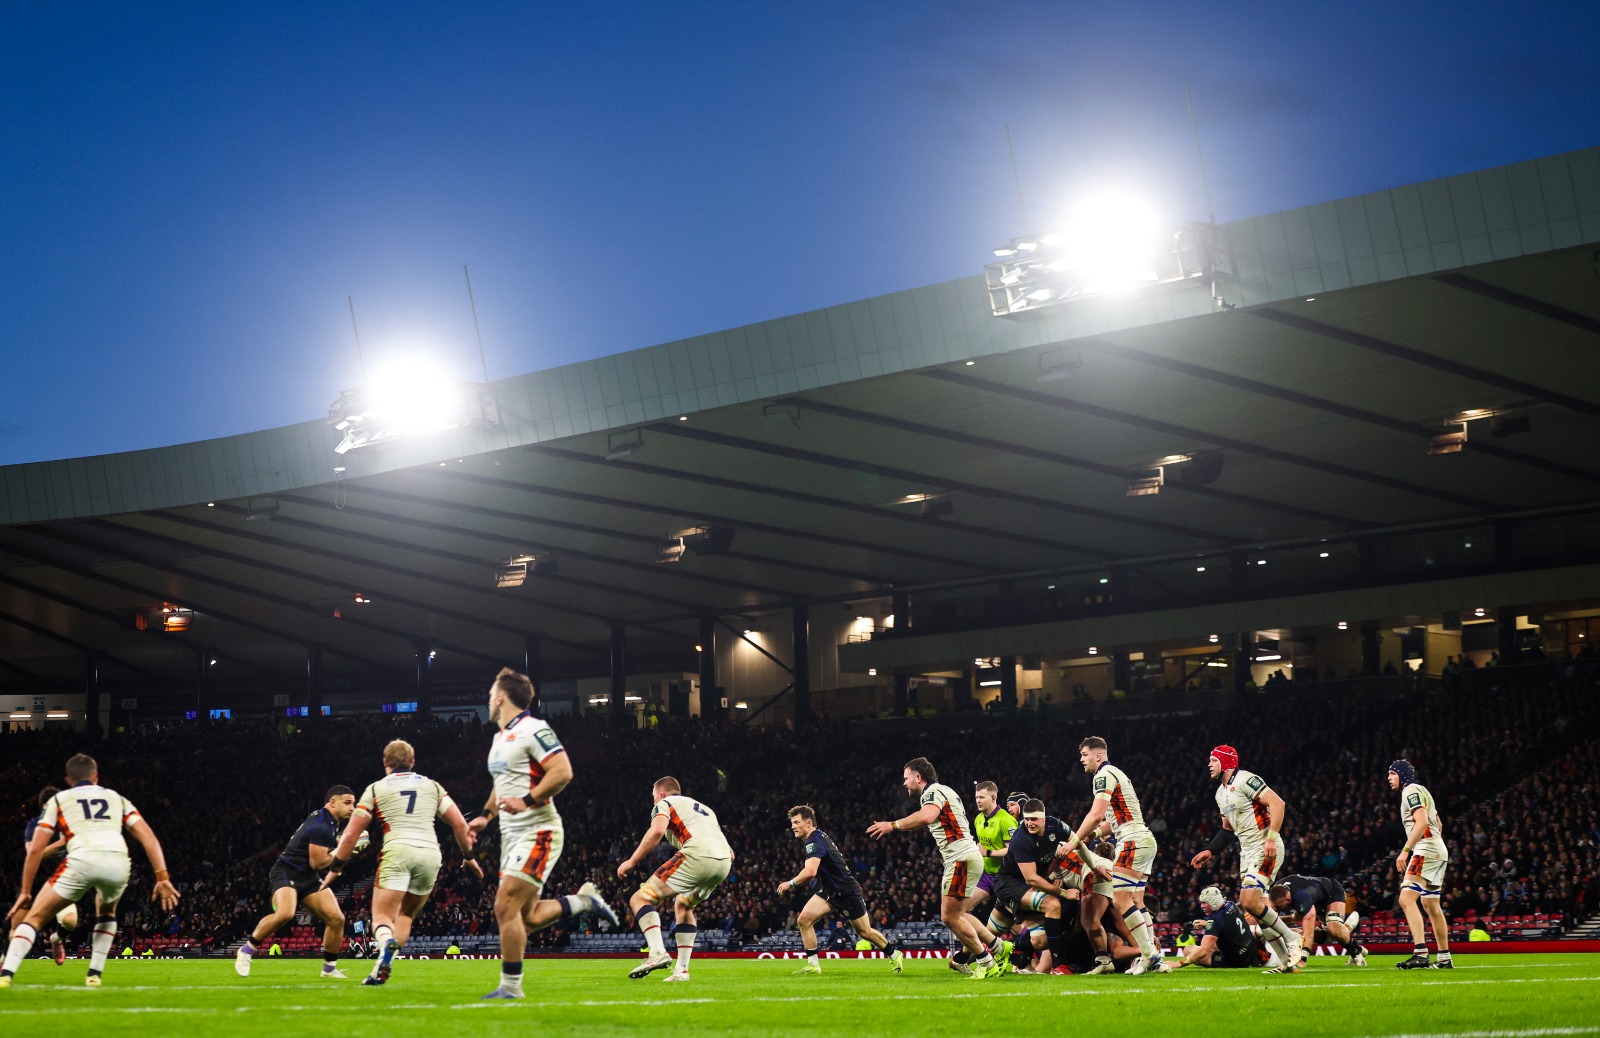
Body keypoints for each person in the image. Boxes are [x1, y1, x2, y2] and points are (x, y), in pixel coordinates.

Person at [474, 668, 618, 1000]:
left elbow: (562, 771)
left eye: (490, 695)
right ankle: (582, 901)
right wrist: (485, 816)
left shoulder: (533, 728)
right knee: (524, 918)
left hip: (538, 830)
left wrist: (526, 800)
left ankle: (511, 988)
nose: (488, 701)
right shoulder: (499, 738)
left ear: (501, 698)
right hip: (511, 836)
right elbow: (501, 786)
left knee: (504, 906)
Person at [2, 754, 180, 988]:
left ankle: (6, 975)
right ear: (96, 777)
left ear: (68, 780)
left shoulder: (60, 800)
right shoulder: (116, 798)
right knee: (106, 913)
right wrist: (162, 877)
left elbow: (35, 850)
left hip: (82, 860)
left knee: (34, 918)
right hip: (118, 860)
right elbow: (148, 836)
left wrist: (25, 892)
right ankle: (94, 974)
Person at [318, 739, 485, 986]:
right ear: (413, 762)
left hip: (397, 850)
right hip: (430, 853)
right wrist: (469, 857)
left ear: (385, 762)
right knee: (406, 915)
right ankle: (382, 965)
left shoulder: (376, 789)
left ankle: (386, 943)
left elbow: (352, 834)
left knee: (382, 919)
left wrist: (336, 867)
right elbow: (460, 824)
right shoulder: (432, 786)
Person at [867, 757, 1011, 979]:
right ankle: (999, 947)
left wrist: (893, 825)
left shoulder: (932, 792)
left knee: (950, 917)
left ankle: (986, 961)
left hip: (961, 858)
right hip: (965, 856)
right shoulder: (945, 790)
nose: (904, 783)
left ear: (918, 777)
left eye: (906, 778)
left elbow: (927, 816)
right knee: (958, 914)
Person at [1188, 745, 1302, 974]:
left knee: (1248, 901)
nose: (1209, 764)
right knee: (1258, 911)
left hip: (1264, 846)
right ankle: (1285, 962)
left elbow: (1278, 804)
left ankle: (1292, 939)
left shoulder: (1246, 780)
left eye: (1213, 760)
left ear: (1226, 762)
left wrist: (1272, 838)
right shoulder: (1220, 793)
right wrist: (1210, 851)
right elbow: (1227, 830)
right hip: (1246, 852)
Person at [1067, 737, 1169, 975]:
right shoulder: (1117, 773)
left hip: (1132, 842)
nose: (1081, 760)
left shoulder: (1102, 776)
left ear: (1098, 755)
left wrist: (1074, 840)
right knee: (1137, 901)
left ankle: (1149, 955)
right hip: (1144, 839)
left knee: (1120, 899)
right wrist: (1092, 834)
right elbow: (1114, 822)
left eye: (1084, 754)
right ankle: (1154, 958)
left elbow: (1096, 814)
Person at [617, 776, 733, 983]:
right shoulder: (705, 809)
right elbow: (731, 853)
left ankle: (656, 952)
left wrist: (632, 861)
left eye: (654, 797)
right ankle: (681, 970)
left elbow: (657, 831)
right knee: (683, 905)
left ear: (661, 794)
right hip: (723, 862)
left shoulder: (665, 803)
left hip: (698, 854)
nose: (653, 801)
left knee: (639, 899)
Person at [235, 785, 358, 980]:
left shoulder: (328, 820)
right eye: (348, 803)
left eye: (353, 803)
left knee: (336, 919)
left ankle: (329, 970)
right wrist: (342, 851)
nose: (353, 808)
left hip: (307, 876)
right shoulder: (323, 825)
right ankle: (246, 951)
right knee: (285, 913)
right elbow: (318, 863)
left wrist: (341, 850)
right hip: (286, 871)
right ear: (333, 802)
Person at [776, 805, 903, 975]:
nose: (793, 826)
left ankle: (894, 954)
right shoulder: (817, 837)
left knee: (864, 932)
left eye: (796, 822)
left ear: (808, 823)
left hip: (847, 891)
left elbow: (810, 872)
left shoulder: (814, 842)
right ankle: (813, 965)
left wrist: (790, 883)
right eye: (792, 822)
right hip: (830, 890)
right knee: (804, 920)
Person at [987, 799, 1094, 975]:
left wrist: (1095, 868)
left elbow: (1078, 842)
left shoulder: (1056, 826)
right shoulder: (1021, 838)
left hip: (1025, 887)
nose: (1029, 823)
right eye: (1027, 819)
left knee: (1040, 941)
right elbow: (1031, 879)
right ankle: (1058, 966)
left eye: (1034, 819)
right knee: (1053, 904)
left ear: (1044, 819)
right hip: (1010, 885)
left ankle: (961, 958)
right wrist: (1064, 892)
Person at [1390, 759, 1452, 970]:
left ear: (1402, 775)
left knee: (1406, 898)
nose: (1389, 778)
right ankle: (1444, 958)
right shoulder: (1424, 791)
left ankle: (1421, 953)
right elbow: (1438, 823)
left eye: (1392, 774)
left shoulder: (1410, 791)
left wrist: (1406, 850)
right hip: (1438, 848)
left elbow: (1422, 821)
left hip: (1426, 848)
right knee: (1431, 905)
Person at [22, 786, 77, 966]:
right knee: (20, 926)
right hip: (34, 884)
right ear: (46, 806)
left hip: (60, 883)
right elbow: (32, 853)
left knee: (70, 921)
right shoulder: (35, 825)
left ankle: (56, 939)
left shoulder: (68, 826)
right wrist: (60, 843)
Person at [1269, 874, 1366, 966]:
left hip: (1332, 891)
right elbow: (1273, 919)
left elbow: (1309, 932)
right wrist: (1291, 918)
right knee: (1299, 934)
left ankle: (1357, 955)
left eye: (1279, 906)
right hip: (1316, 899)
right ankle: (1351, 938)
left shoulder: (1301, 897)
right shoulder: (1275, 892)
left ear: (1288, 900)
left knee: (1333, 927)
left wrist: (1303, 958)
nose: (1277, 909)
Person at [1169, 886, 1268, 970]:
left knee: (1188, 950)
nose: (1202, 906)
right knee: (1216, 943)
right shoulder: (1230, 904)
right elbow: (1228, 922)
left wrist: (1177, 964)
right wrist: (1207, 923)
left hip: (1237, 961)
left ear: (1213, 902)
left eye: (1205, 902)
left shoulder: (1216, 921)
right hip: (1251, 951)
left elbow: (1203, 951)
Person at [965, 781, 1016, 922]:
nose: (978, 801)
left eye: (982, 797)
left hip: (1006, 877)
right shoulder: (978, 819)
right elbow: (982, 845)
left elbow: (1012, 851)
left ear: (993, 798)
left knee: (1014, 924)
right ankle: (978, 937)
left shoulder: (1006, 820)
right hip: (987, 876)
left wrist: (988, 852)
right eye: (976, 797)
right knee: (960, 910)